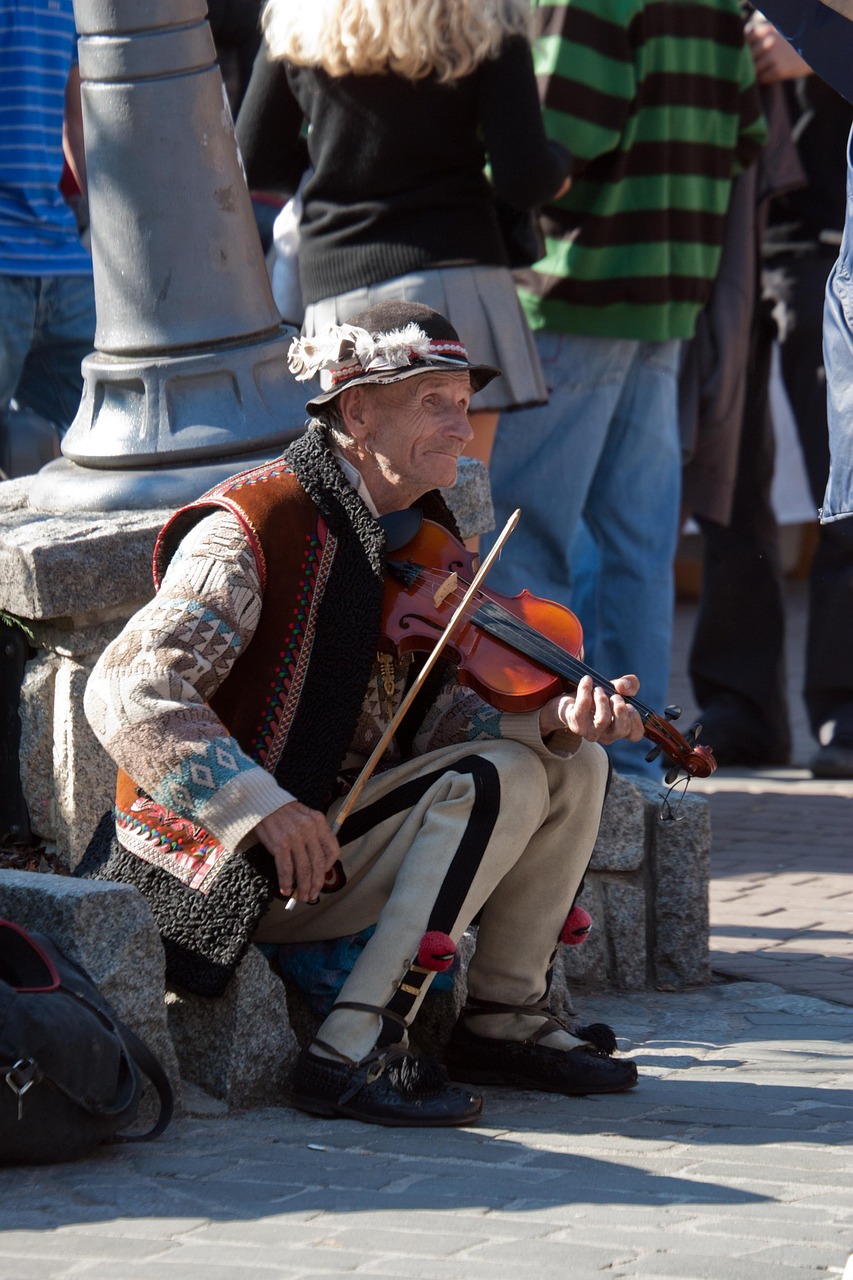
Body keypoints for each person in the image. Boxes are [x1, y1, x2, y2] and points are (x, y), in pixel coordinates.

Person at [79, 300, 642, 1128]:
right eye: (433, 402)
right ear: (356, 412)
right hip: (238, 859)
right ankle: (350, 1048)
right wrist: (260, 807)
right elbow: (127, 690)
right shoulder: (253, 529)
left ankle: (505, 1017)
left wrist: (557, 719)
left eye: (463, 402)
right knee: (500, 778)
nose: (462, 426)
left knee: (571, 762)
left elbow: (435, 723)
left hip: (347, 834)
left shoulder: (412, 536)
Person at [479, 0, 768, 777]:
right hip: (666, 295)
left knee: (526, 541)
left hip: (576, 290)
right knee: (634, 547)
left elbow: (552, 144)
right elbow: (745, 132)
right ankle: (634, 770)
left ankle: (546, 763)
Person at [235, 0, 572, 470]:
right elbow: (524, 175)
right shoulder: (486, 12)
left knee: (358, 502)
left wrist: (335, 172)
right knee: (457, 501)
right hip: (460, 278)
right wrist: (561, 166)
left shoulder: (299, 13)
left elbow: (254, 157)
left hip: (342, 291)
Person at [0, 0, 95, 441]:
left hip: (62, 261)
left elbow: (77, 125)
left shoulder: (69, 6)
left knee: (110, 430)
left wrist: (112, 236)